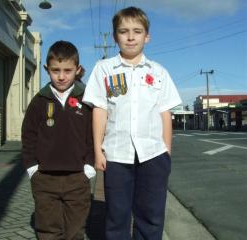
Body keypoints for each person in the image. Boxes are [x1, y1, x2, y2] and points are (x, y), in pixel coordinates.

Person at [83, 6, 182, 240]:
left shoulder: (159, 72)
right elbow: (100, 110)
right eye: (123, 31)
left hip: (153, 155)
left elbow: (164, 113)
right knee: (117, 216)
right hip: (117, 155)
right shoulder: (104, 69)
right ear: (115, 35)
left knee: (151, 215)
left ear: (146, 36)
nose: (130, 37)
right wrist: (98, 150)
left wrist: (166, 152)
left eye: (137, 31)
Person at [21, 40, 95, 240]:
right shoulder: (39, 101)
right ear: (47, 69)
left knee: (75, 231)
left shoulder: (86, 100)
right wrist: (32, 168)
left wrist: (89, 165)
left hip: (78, 178)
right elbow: (28, 135)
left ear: (77, 70)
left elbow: (93, 134)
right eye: (55, 70)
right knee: (48, 230)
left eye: (67, 70)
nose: (61, 76)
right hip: (44, 179)